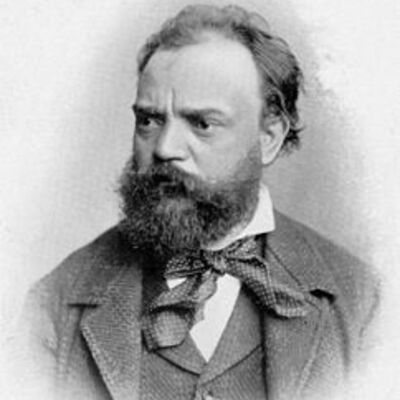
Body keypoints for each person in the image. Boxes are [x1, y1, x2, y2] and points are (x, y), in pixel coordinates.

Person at [12, 4, 379, 400]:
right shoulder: (54, 306)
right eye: (149, 120)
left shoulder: (363, 305)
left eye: (202, 124)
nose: (165, 148)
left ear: (269, 137)